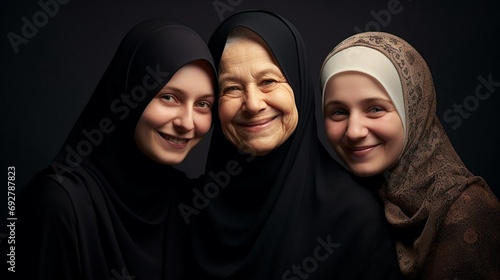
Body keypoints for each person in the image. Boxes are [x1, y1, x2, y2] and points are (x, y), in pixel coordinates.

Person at [186, 10, 400, 280]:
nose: (252, 104)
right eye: (231, 88)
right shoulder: (190, 207)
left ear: (298, 86)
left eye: (268, 81)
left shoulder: (353, 215)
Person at [12, 19, 216, 279]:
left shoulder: (187, 201)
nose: (187, 123)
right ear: (129, 94)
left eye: (203, 104)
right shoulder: (59, 202)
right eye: (168, 97)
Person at [320, 31, 500, 279]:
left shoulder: (464, 206)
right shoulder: (347, 195)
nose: (354, 131)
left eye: (375, 109)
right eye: (338, 112)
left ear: (414, 111)